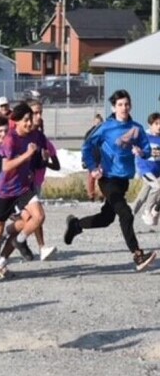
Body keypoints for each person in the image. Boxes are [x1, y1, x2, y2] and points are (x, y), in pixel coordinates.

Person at [65, 90, 156, 272]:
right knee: (126, 213)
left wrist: (141, 152)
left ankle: (76, 225)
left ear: (130, 106)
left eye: (126, 104)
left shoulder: (136, 128)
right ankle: (137, 254)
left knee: (106, 218)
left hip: (123, 180)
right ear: (114, 107)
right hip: (107, 179)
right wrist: (92, 167)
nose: (124, 107)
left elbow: (146, 149)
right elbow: (87, 146)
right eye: (120, 104)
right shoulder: (106, 127)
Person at [0, 103, 47, 282]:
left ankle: (18, 242)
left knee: (38, 217)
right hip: (5, 190)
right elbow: (6, 166)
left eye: (31, 119)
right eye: (26, 120)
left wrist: (41, 159)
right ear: (16, 122)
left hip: (23, 188)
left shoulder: (34, 136)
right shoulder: (10, 139)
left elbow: (36, 159)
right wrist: (27, 156)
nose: (29, 123)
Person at [28, 99, 59, 261]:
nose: (39, 116)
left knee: (35, 216)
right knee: (18, 219)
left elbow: (54, 164)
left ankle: (41, 247)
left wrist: (45, 159)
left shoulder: (41, 138)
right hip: (15, 183)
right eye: (35, 112)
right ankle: (8, 244)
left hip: (34, 182)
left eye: (41, 112)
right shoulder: (18, 134)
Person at [135, 113, 160, 225]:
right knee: (157, 186)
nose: (159, 126)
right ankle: (147, 211)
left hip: (157, 171)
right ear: (150, 125)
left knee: (143, 195)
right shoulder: (144, 137)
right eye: (156, 124)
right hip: (145, 169)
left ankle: (128, 215)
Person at [83, 114, 104, 202]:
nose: (98, 124)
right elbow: (85, 147)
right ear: (94, 122)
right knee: (91, 177)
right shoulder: (89, 133)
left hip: (102, 157)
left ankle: (102, 195)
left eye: (99, 122)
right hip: (92, 158)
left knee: (102, 177)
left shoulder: (104, 133)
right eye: (96, 122)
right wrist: (84, 159)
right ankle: (91, 195)